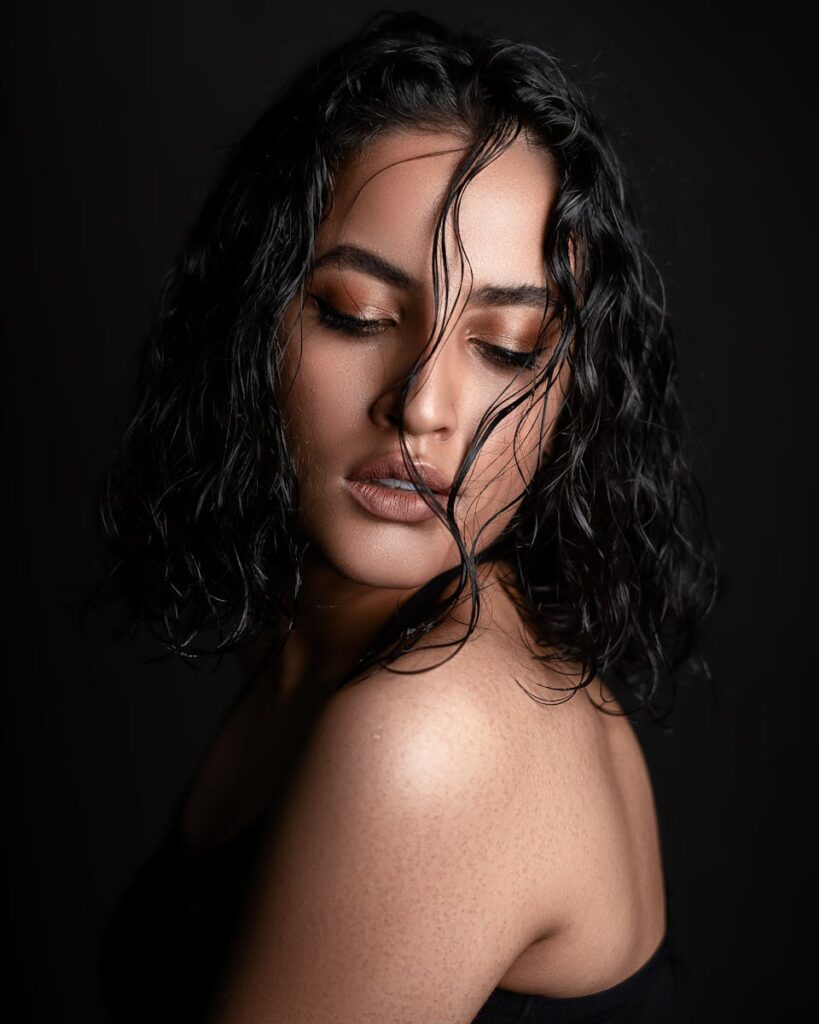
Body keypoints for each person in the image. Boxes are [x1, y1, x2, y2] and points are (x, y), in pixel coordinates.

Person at [92, 10, 716, 1023]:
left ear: (574, 395)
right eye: (358, 315)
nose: (423, 404)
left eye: (507, 347)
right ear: (254, 318)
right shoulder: (314, 641)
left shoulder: (433, 732)